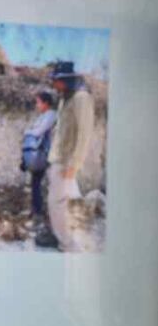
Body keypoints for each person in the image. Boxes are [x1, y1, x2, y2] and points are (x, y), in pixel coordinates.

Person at [46, 61, 96, 252]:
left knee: (56, 203)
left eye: (55, 80)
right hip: (57, 159)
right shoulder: (65, 98)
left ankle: (66, 244)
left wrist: (74, 165)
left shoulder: (81, 98)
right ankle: (66, 235)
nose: (53, 84)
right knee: (65, 201)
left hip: (66, 161)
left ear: (65, 80)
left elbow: (84, 134)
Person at [21, 91, 57, 218]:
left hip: (46, 154)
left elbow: (38, 132)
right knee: (36, 182)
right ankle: (37, 209)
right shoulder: (43, 116)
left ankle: (41, 211)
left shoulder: (51, 115)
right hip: (39, 153)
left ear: (46, 103)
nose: (36, 105)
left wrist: (27, 132)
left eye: (38, 102)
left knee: (43, 183)